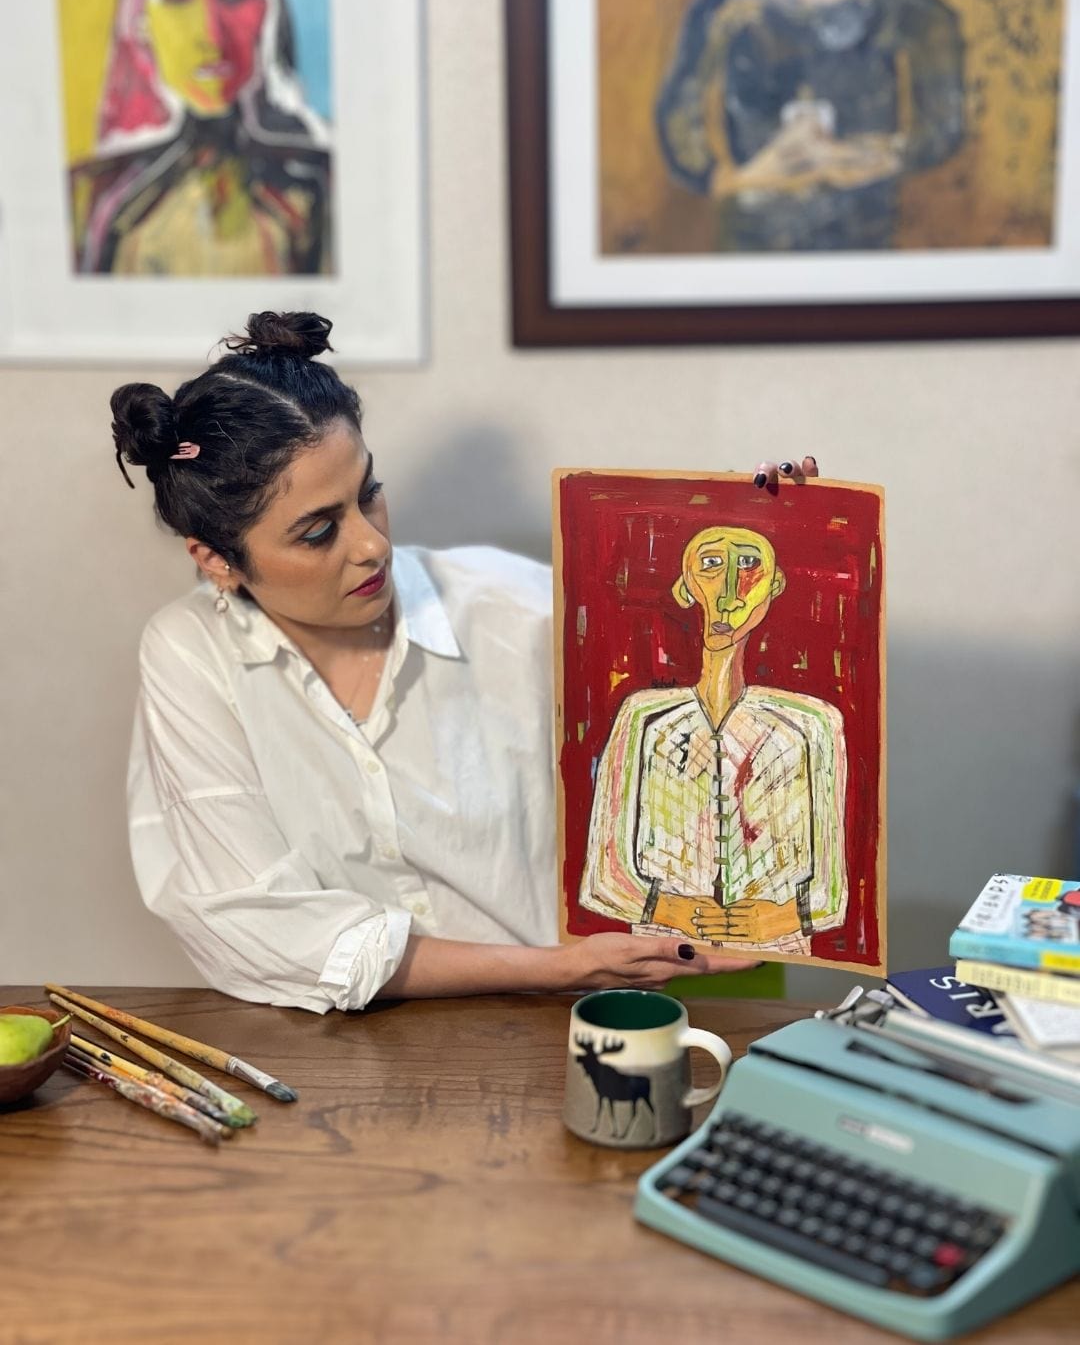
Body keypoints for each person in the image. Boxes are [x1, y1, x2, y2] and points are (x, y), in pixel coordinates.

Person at [111, 311, 765, 1013]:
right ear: (215, 560)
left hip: (573, 1024)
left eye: (368, 494)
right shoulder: (190, 653)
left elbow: (717, 730)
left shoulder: (521, 610)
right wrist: (555, 966)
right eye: (320, 531)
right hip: (351, 1060)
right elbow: (254, 923)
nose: (371, 546)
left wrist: (787, 525)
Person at [580, 525, 848, 954]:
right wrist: (669, 910)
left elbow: (832, 889)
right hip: (661, 954)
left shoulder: (813, 723)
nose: (729, 592)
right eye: (710, 565)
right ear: (685, 587)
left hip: (778, 955)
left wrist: (781, 917)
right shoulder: (644, 717)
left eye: (748, 565)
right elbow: (603, 874)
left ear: (774, 585)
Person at [654, 0, 965, 252]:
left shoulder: (909, 14)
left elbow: (944, 128)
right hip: (751, 239)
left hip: (866, 238)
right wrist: (745, 178)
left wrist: (874, 157)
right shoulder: (723, 11)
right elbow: (676, 119)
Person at [70, 0, 331, 275]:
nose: (211, 36)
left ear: (268, 13)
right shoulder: (91, 198)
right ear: (141, 24)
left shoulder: (318, 188)